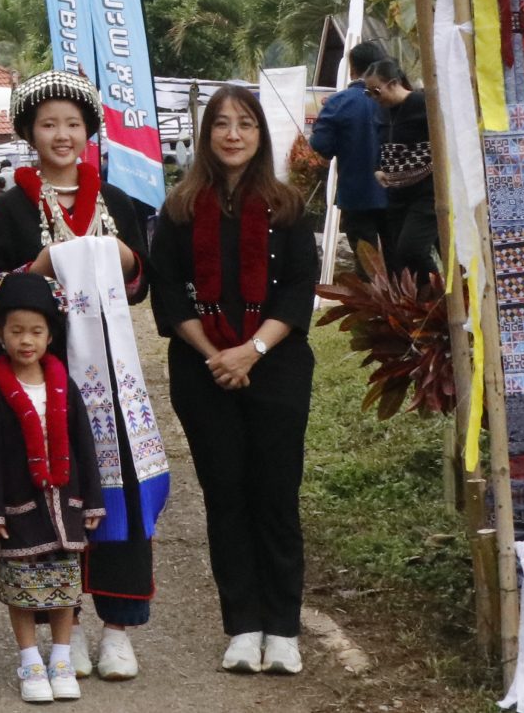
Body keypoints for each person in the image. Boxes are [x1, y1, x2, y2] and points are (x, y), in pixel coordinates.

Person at [0, 70, 162, 681]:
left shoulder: (117, 202)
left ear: (88, 132)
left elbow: (140, 285)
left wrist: (124, 258)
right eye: (48, 124)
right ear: (29, 133)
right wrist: (42, 266)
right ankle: (65, 625)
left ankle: (118, 629)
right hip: (40, 378)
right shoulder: (10, 209)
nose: (61, 135)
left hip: (111, 382)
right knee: (51, 495)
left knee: (117, 493)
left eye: (73, 124)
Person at [148, 88, 321, 677]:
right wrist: (216, 355)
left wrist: (251, 351)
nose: (232, 135)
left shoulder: (287, 207)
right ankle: (243, 627)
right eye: (221, 124)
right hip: (203, 371)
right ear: (206, 136)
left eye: (245, 124)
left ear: (260, 134)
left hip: (276, 366)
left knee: (276, 496)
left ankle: (284, 629)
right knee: (225, 496)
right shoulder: (178, 209)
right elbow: (168, 293)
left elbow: (298, 289)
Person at [0, 271, 103, 706]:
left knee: (65, 586)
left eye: (36, 331)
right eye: (16, 331)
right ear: (0, 334)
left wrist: (93, 502)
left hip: (66, 504)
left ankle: (61, 658)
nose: (26, 340)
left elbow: (85, 447)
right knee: (21, 586)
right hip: (19, 508)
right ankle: (29, 660)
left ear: (50, 335)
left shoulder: (65, 387)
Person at [306, 40, 390, 261]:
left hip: (355, 195)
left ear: (352, 69)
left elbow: (320, 144)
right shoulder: (394, 100)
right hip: (396, 194)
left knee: (368, 264)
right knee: (399, 261)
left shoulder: (338, 102)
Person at [361, 61, 440, 282]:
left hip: (427, 191)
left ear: (393, 83)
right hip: (396, 193)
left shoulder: (422, 103)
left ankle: (440, 290)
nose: (374, 97)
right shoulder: (382, 112)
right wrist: (379, 168)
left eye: (376, 91)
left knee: (411, 249)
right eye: (368, 93)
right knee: (400, 256)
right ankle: (426, 295)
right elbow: (382, 144)